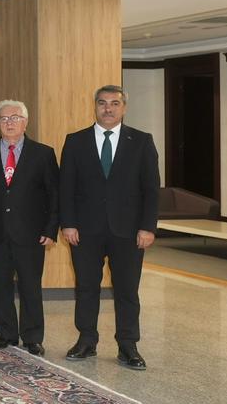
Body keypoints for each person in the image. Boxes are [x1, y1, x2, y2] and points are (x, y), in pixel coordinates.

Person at [59, 84, 160, 370]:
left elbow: (151, 189)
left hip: (128, 231)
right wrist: (68, 223)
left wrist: (148, 227)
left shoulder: (141, 141)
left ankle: (128, 345)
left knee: (127, 290)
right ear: (95, 106)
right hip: (84, 230)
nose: (108, 109)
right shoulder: (75, 141)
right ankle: (86, 340)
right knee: (86, 287)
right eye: (102, 103)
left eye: (114, 103)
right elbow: (66, 187)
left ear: (123, 107)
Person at [0, 99, 58, 356]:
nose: (9, 123)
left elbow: (54, 195)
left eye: (14, 118)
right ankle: (6, 334)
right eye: (3, 119)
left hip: (31, 233)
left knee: (30, 286)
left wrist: (50, 229)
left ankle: (33, 337)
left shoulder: (43, 153)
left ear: (25, 122)